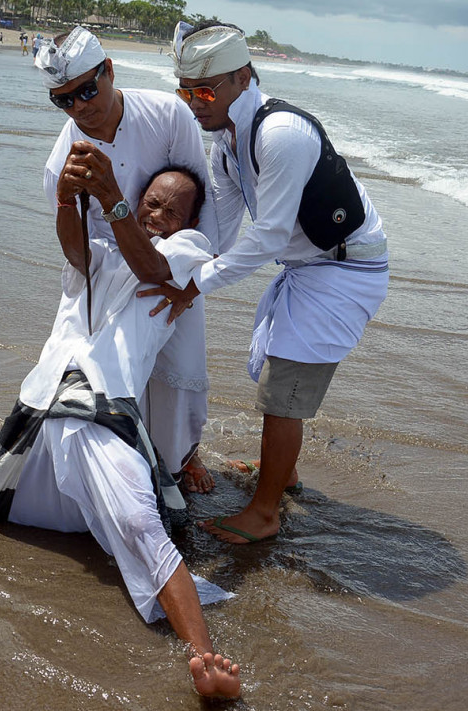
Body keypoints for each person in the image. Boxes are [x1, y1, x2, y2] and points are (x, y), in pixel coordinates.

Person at [0, 167, 241, 700]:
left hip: (105, 404)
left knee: (139, 523)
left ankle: (205, 657)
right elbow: (75, 254)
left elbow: (151, 267)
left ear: (189, 222)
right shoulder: (100, 249)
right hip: (44, 400)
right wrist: (65, 200)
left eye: (171, 210)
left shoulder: (188, 252)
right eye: (151, 202)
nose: (157, 214)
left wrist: (113, 199)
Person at [152, 22, 390, 544]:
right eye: (185, 93)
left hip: (345, 270)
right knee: (276, 376)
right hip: (307, 267)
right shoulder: (227, 144)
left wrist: (195, 286)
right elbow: (220, 230)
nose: (194, 104)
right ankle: (284, 473)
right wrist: (171, 261)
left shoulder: (280, 134)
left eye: (205, 92)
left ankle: (264, 514)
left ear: (243, 77)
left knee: (283, 392)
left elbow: (269, 236)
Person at [37, 28, 223, 499]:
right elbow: (79, 257)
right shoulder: (61, 162)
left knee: (180, 369)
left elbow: (202, 203)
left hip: (176, 262)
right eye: (63, 101)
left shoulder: (167, 115)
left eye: (86, 90)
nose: (79, 107)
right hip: (109, 272)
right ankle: (122, 456)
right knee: (107, 368)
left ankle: (184, 455)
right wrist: (67, 201)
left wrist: (197, 281)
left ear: (109, 70)